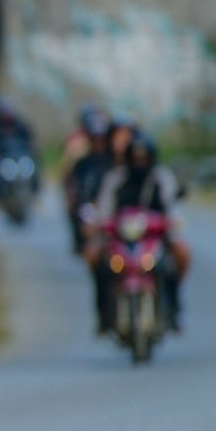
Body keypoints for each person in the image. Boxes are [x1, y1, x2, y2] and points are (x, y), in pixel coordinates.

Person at [88, 132, 190, 332]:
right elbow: (103, 210)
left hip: (155, 239)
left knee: (181, 255)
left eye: (144, 158)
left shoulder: (162, 178)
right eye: (135, 158)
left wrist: (172, 223)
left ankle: (174, 307)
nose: (139, 162)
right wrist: (98, 225)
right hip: (120, 240)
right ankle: (104, 314)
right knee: (94, 258)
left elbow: (173, 210)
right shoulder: (115, 179)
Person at [63, 106, 114, 254]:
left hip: (110, 209)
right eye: (94, 138)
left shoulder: (113, 162)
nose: (98, 142)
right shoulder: (82, 164)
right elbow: (74, 188)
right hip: (89, 209)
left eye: (101, 139)